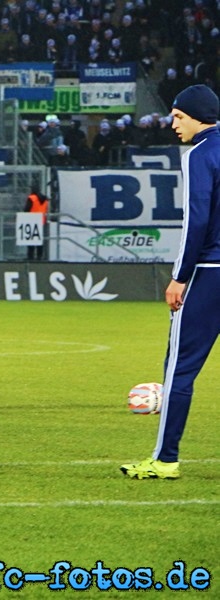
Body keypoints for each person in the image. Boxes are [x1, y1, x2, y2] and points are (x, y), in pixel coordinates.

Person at [120, 85, 220, 480]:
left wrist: (179, 278)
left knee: (179, 370)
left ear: (198, 116)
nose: (172, 122)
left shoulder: (199, 154)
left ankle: (165, 459)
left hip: (210, 274)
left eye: (179, 116)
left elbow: (195, 221)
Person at [24, 184, 48, 261]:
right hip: (41, 221)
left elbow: (26, 209)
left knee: (31, 240)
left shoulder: (32, 198)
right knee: (39, 240)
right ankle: (39, 257)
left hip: (31, 220)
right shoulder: (45, 199)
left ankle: (30, 257)